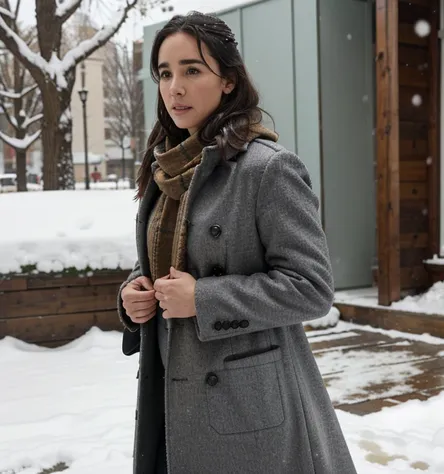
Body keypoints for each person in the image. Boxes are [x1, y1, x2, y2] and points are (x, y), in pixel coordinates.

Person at [117, 11, 357, 474]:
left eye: (192, 70)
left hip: (247, 411)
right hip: (170, 396)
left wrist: (203, 299)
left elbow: (311, 288)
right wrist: (134, 294)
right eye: (165, 73)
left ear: (228, 80)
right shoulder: (165, 169)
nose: (174, 88)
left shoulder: (267, 169)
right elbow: (164, 262)